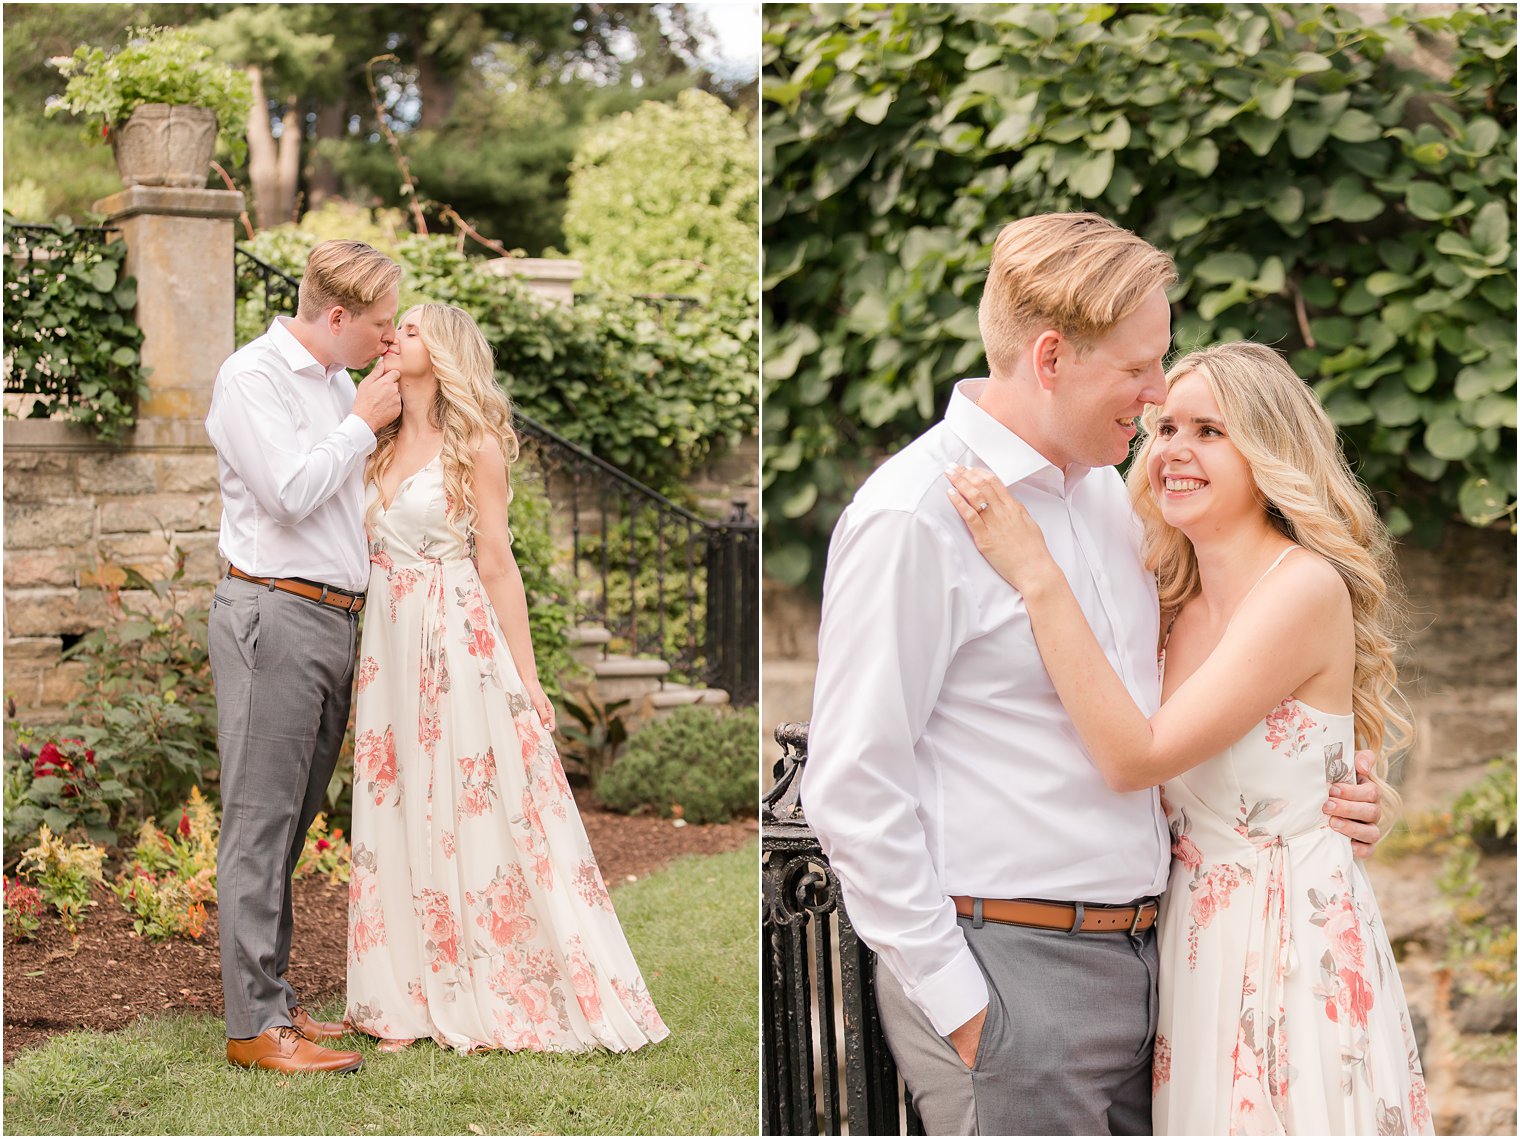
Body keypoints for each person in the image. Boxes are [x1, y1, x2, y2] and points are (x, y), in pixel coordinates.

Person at [800, 213, 1385, 1135]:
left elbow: (1190, 715)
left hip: (1160, 970)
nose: (1155, 397)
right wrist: (966, 1008)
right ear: (1049, 356)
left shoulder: (1114, 506)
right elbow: (851, 783)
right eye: (1140, 367)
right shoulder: (917, 515)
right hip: (1013, 975)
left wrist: (1316, 792)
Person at [944, 341, 1430, 1134]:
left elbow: (1135, 756)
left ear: (1269, 451)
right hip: (1191, 943)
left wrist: (1037, 575)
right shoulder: (1164, 595)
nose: (1174, 449)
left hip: (1288, 948)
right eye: (1166, 426)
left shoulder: (1302, 587)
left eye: (1210, 430)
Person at [343, 303, 669, 1055]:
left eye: (413, 330)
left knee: (467, 808)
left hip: (457, 641)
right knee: (398, 810)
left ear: (447, 352)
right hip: (388, 651)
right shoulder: (376, 439)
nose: (396, 336)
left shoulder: (475, 445)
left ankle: (483, 987)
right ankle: (407, 997)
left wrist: (527, 677)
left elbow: (497, 563)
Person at [206, 239, 403, 1073]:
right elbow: (288, 494)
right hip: (274, 612)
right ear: (335, 316)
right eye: (380, 325)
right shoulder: (250, 378)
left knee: (292, 818)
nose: (388, 341)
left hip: (331, 619)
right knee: (259, 820)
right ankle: (254, 1026)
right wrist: (362, 427)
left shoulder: (336, 384)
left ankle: (277, 1001)